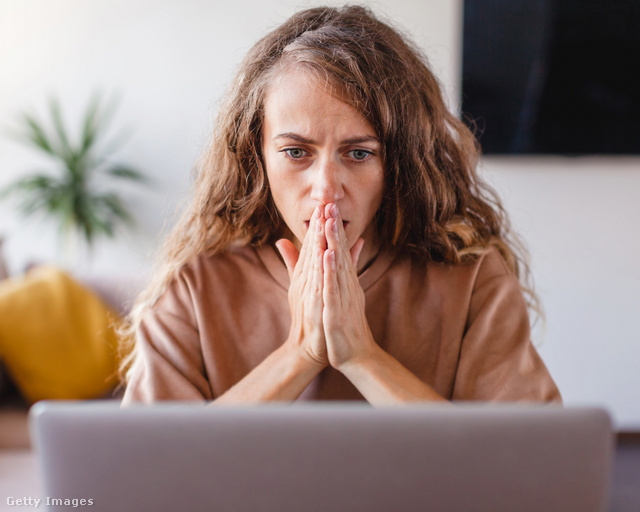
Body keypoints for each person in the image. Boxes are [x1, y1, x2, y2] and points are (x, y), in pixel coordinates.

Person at [120, 5, 561, 405]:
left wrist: (362, 355)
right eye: (296, 153)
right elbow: (146, 471)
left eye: (358, 153)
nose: (326, 189)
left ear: (399, 162)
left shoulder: (473, 281)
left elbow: (524, 467)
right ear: (256, 155)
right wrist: (301, 353)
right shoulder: (195, 288)